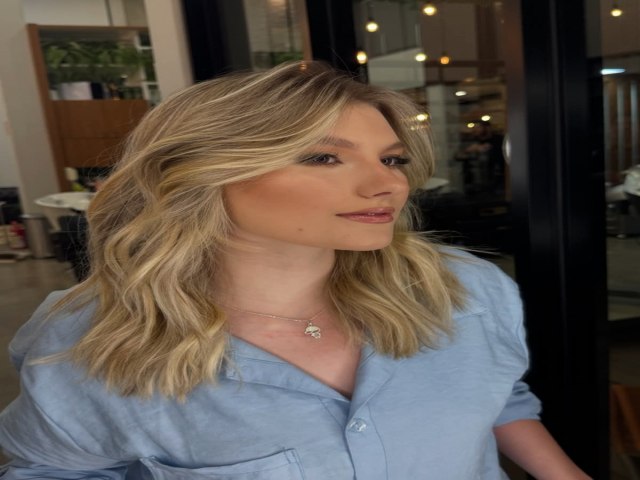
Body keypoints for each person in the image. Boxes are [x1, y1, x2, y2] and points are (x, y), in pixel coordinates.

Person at [0, 61, 589, 479]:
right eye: (324, 157)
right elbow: (55, 470)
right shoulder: (90, 339)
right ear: (203, 172)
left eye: (392, 159)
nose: (386, 183)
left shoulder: (465, 290)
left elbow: (499, 397)